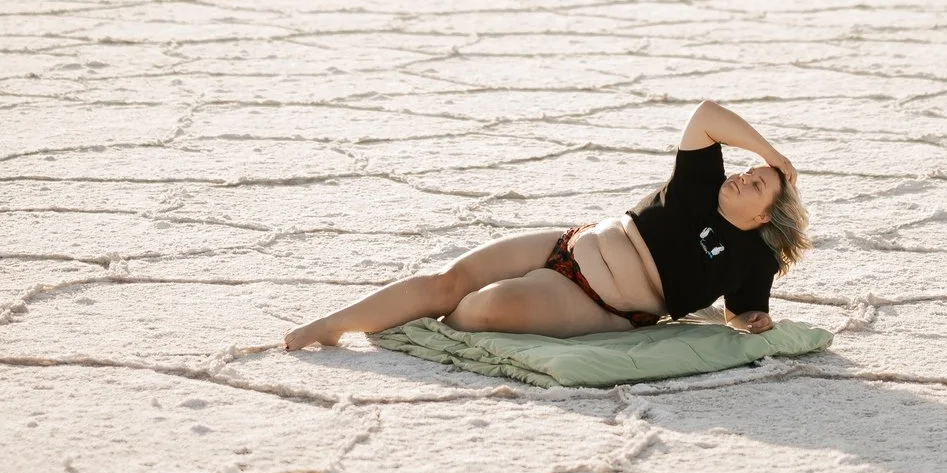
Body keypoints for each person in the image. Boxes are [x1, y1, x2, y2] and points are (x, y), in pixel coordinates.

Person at [283, 100, 810, 349]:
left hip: (602, 305)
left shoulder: (753, 258)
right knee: (447, 284)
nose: (743, 177)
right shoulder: (701, 183)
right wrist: (771, 154)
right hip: (569, 243)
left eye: (757, 183)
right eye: (746, 171)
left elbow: (746, 315)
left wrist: (749, 323)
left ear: (766, 216)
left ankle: (430, 327)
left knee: (492, 305)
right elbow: (706, 115)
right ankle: (332, 326)